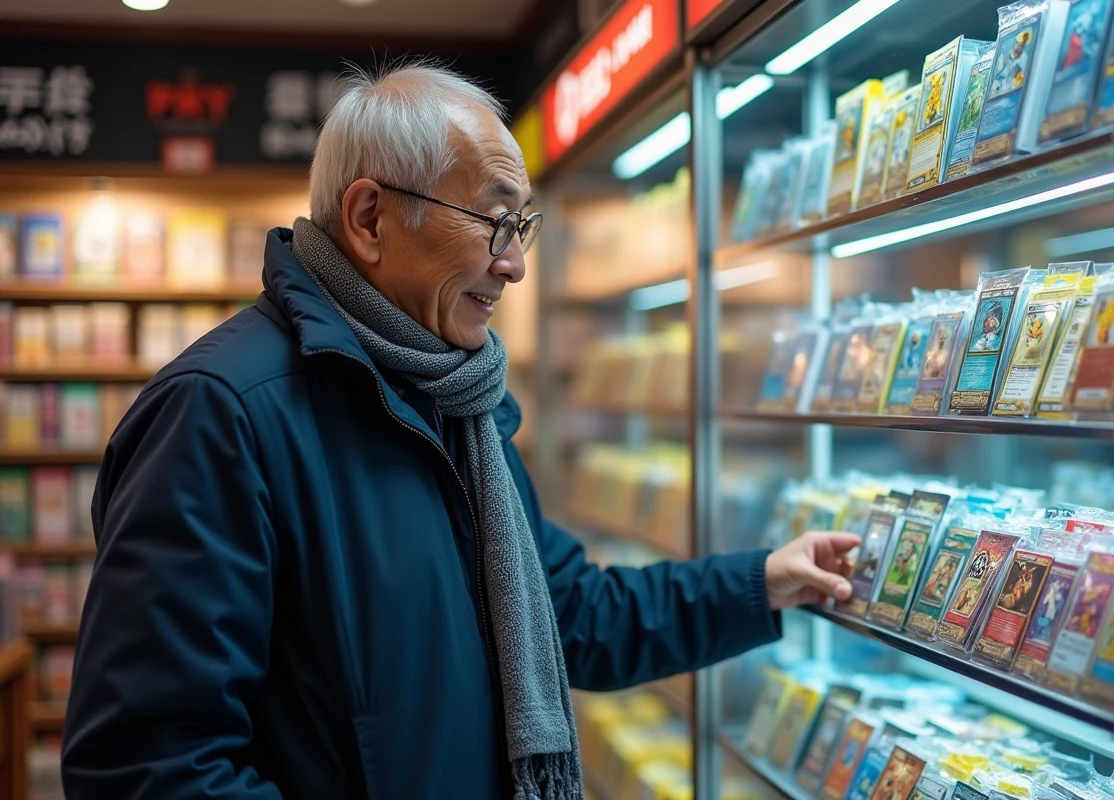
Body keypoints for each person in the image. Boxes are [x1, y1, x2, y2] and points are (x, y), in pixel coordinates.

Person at [61, 62, 859, 800]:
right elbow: (149, 766)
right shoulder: (219, 413)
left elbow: (567, 613)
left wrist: (760, 583)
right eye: (495, 222)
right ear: (370, 218)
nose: (515, 264)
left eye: (523, 227)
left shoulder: (457, 403)